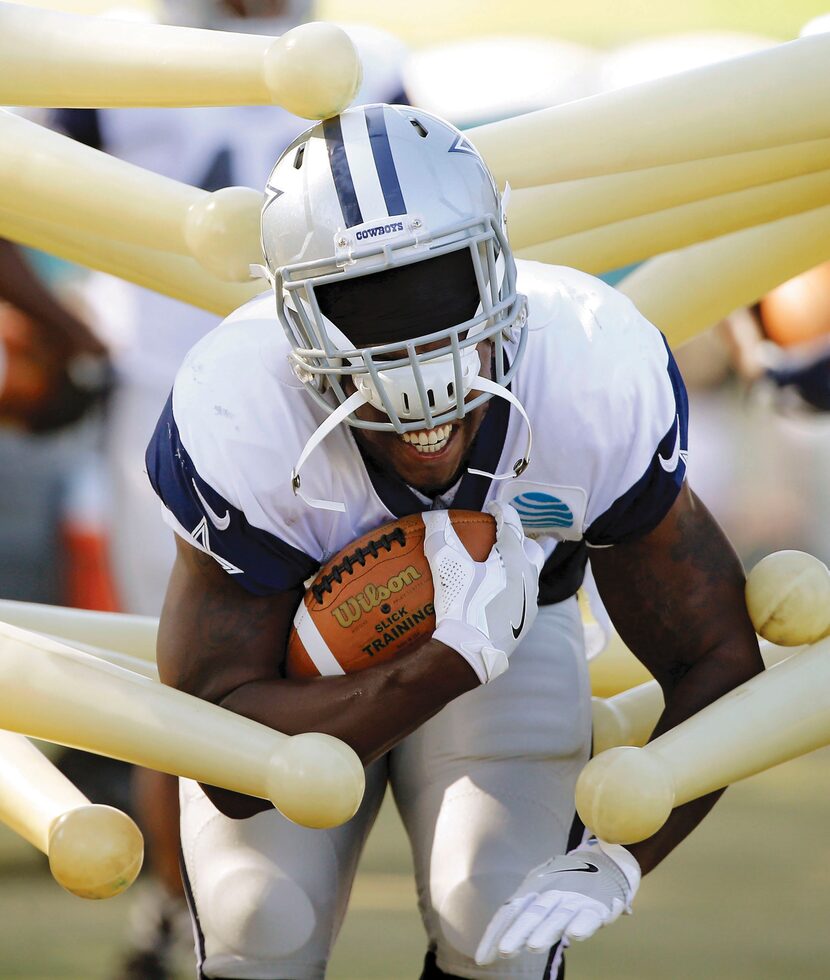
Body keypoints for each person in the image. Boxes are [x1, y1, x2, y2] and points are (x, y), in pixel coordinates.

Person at [146, 104, 762, 979]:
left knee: (500, 914)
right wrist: (444, 659)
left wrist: (624, 856)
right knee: (261, 923)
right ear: (293, 311)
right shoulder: (237, 406)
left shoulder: (588, 365)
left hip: (517, 633)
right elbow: (231, 766)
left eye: (437, 285)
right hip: (303, 665)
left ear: (496, 260)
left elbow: (717, 658)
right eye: (362, 302)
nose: (417, 352)